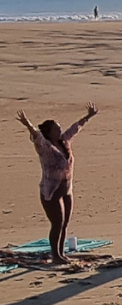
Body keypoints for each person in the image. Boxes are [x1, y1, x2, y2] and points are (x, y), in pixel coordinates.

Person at [16, 104, 98, 264]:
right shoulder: (45, 147)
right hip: (51, 192)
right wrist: (27, 124)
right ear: (49, 132)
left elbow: (75, 128)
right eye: (56, 129)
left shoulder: (64, 142)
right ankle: (55, 256)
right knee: (57, 223)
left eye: (59, 128)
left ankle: (61, 254)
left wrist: (88, 116)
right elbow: (37, 136)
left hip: (66, 190)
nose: (59, 131)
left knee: (65, 223)